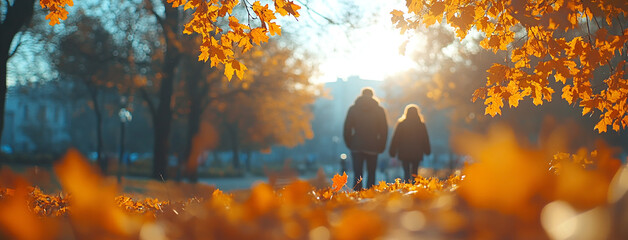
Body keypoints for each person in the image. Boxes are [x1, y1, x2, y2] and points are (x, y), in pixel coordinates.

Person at [343, 87, 388, 190]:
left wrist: (350, 143)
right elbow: (384, 130)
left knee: (357, 173)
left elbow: (347, 128)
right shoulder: (379, 110)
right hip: (373, 145)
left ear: (361, 94)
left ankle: (357, 195)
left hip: (356, 145)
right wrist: (381, 146)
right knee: (371, 173)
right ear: (372, 95)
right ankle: (369, 195)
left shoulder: (353, 109)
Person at [389, 104, 431, 183]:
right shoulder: (421, 125)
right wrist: (427, 150)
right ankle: (414, 186)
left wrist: (392, 151)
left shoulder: (401, 124)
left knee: (406, 171)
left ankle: (407, 185)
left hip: (404, 152)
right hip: (417, 152)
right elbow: (425, 138)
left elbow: (396, 138)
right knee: (415, 171)